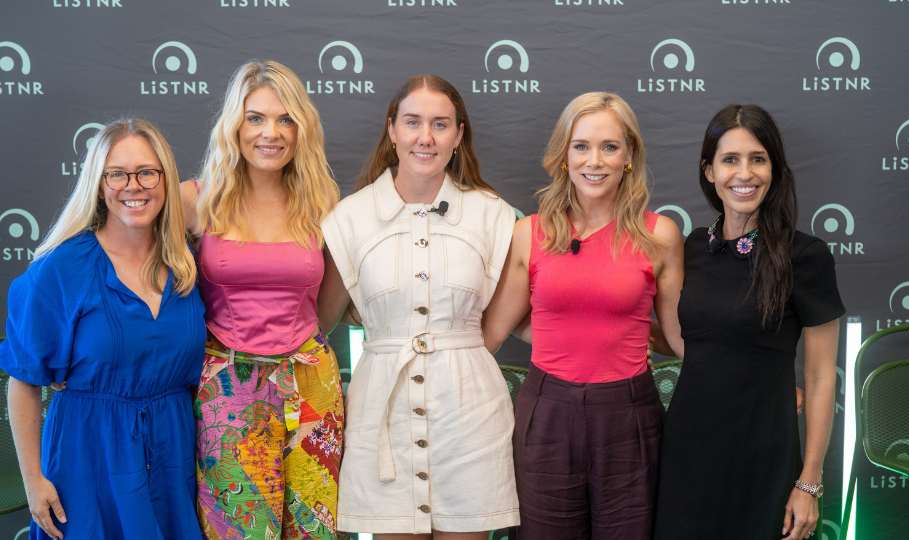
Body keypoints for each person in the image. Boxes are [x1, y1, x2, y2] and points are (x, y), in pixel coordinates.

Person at [317, 74, 520, 539]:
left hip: (469, 415)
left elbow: (516, 318)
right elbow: (315, 322)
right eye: (412, 122)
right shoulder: (349, 218)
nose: (425, 137)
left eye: (440, 124)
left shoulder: (494, 215)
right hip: (383, 414)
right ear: (392, 130)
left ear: (458, 135)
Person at [482, 91, 685, 540]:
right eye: (582, 146)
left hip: (629, 415)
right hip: (548, 414)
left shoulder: (660, 235)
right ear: (564, 154)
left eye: (609, 147)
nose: (595, 161)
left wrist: (754, 380)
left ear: (629, 155)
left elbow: (679, 338)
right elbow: (493, 331)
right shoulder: (530, 232)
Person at [1, 118, 205, 539]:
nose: (134, 185)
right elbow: (23, 383)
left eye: (147, 172)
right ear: (98, 183)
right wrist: (33, 480)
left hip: (174, 456)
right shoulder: (60, 270)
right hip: (87, 458)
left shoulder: (185, 264)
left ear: (166, 179)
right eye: (117, 173)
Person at [654, 104, 844, 540]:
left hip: (764, 454)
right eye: (730, 160)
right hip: (687, 450)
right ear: (709, 171)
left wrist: (808, 481)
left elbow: (819, 378)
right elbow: (695, 339)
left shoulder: (806, 256)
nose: (746, 173)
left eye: (758, 159)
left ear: (774, 169)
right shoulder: (693, 248)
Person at [181, 60, 343, 540]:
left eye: (285, 119)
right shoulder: (196, 199)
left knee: (315, 527)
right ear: (235, 124)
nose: (270, 132)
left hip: (311, 384)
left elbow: (329, 305)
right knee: (239, 528)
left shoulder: (323, 203)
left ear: (301, 130)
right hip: (227, 389)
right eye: (256, 118)